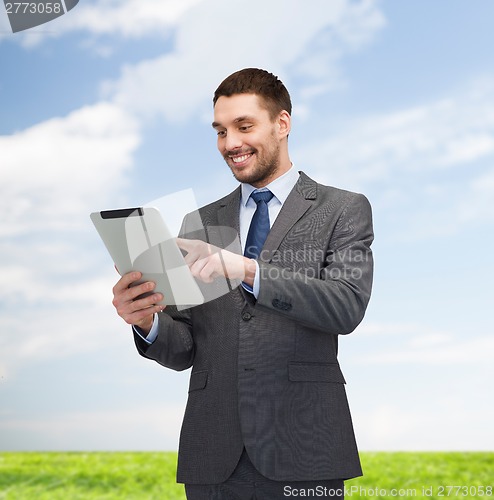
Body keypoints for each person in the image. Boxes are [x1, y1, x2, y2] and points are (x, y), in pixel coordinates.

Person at [112, 68, 374, 499]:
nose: (230, 143)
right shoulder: (198, 224)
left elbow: (345, 307)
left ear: (282, 124)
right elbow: (185, 349)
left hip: (305, 450)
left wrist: (247, 269)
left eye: (244, 126)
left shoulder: (342, 208)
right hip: (213, 456)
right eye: (220, 131)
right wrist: (147, 321)